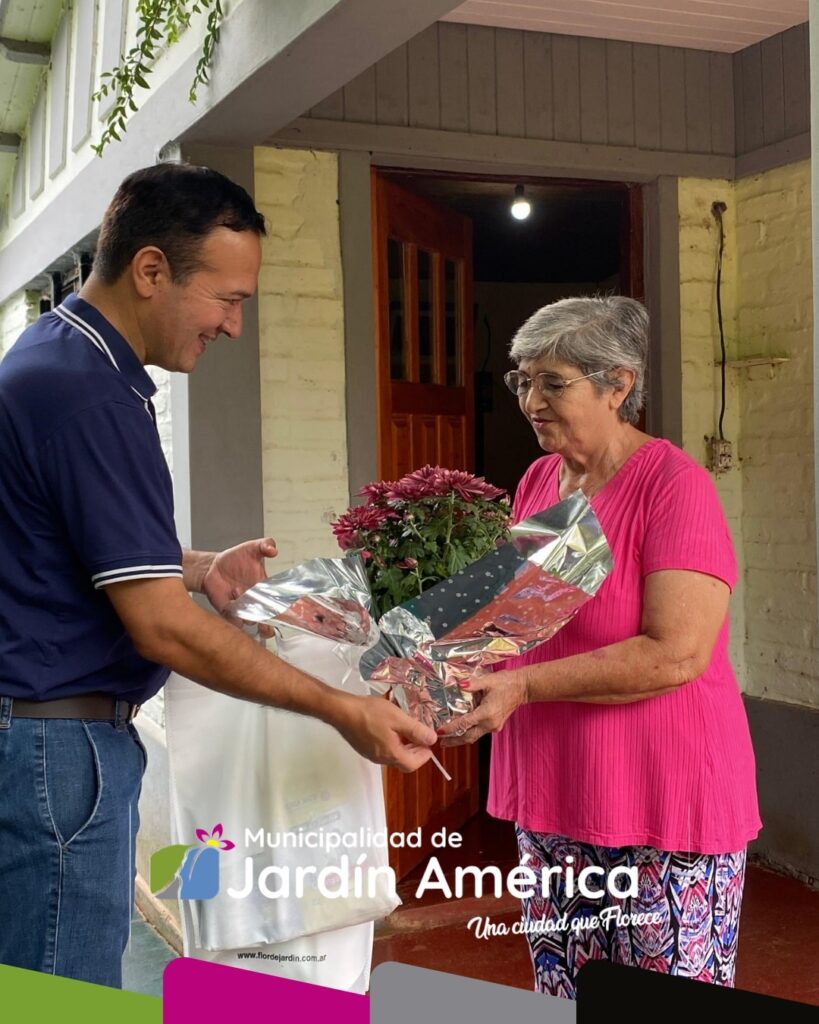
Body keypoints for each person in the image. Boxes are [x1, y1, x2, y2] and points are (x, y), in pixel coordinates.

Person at [0, 162, 435, 989]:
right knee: (57, 999)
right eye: (227, 300)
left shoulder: (59, 357)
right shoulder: (87, 393)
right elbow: (158, 625)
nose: (234, 327)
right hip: (55, 753)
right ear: (152, 269)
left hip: (38, 742)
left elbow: (57, 540)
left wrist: (195, 568)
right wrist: (342, 709)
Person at [440, 296, 761, 998]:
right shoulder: (538, 481)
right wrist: (434, 667)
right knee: (564, 996)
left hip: (658, 799)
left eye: (552, 382)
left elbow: (675, 652)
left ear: (617, 385)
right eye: (521, 379)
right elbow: (516, 621)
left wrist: (522, 687)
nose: (530, 400)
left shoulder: (673, 486)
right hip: (558, 791)